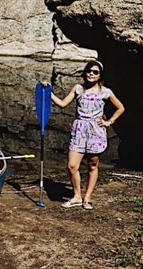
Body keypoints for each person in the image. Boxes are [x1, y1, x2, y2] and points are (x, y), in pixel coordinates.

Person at [48, 60, 125, 210]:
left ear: (100, 75)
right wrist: (48, 92)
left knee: (92, 165)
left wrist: (109, 122)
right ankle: (77, 196)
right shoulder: (78, 89)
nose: (91, 74)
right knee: (72, 165)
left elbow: (120, 108)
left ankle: (87, 198)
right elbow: (63, 104)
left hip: (96, 131)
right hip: (79, 130)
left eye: (95, 72)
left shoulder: (105, 92)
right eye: (89, 71)